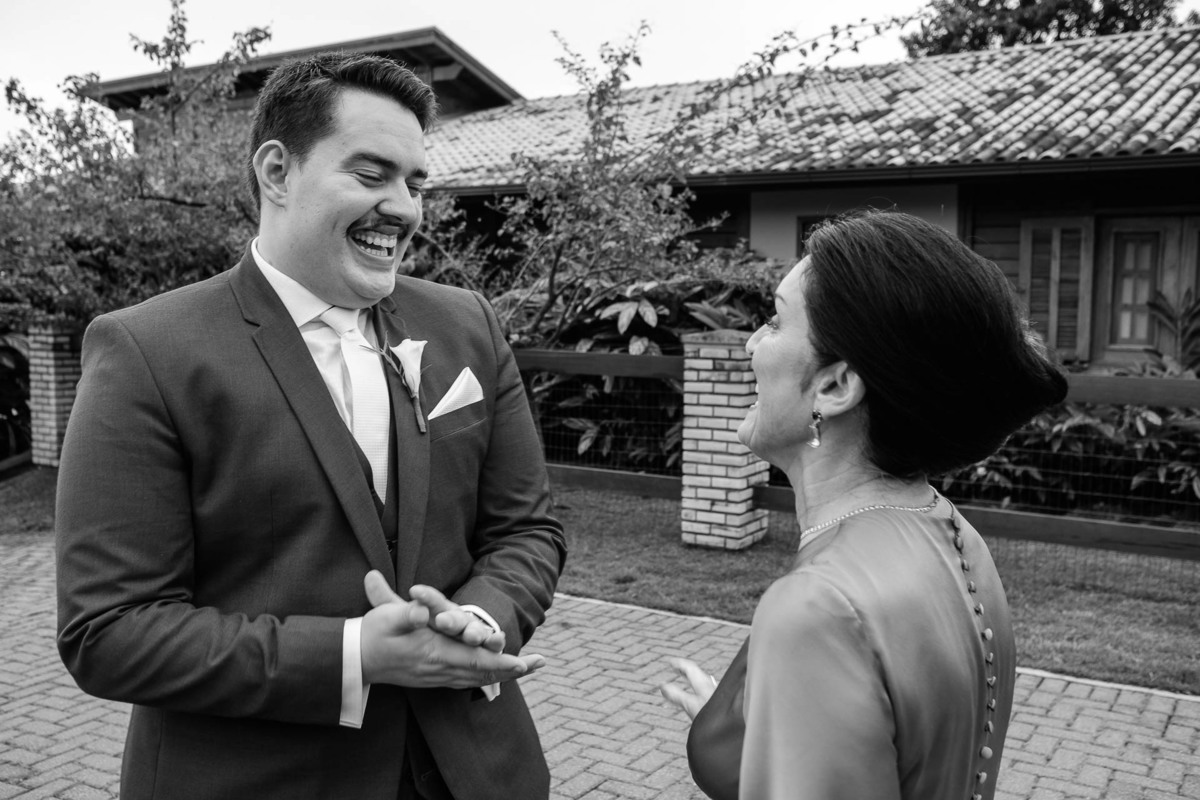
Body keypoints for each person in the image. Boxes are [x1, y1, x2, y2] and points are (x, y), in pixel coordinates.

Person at [55, 52, 566, 800]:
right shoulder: (147, 351)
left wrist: (479, 618)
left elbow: (527, 529)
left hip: (479, 771)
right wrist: (356, 654)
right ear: (277, 172)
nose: (405, 208)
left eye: (415, 183)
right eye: (371, 175)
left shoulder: (467, 325)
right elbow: (110, 631)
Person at [660, 210, 1067, 800]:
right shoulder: (953, 532)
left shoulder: (818, 607)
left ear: (834, 387)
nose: (750, 344)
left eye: (774, 321)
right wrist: (758, 735)